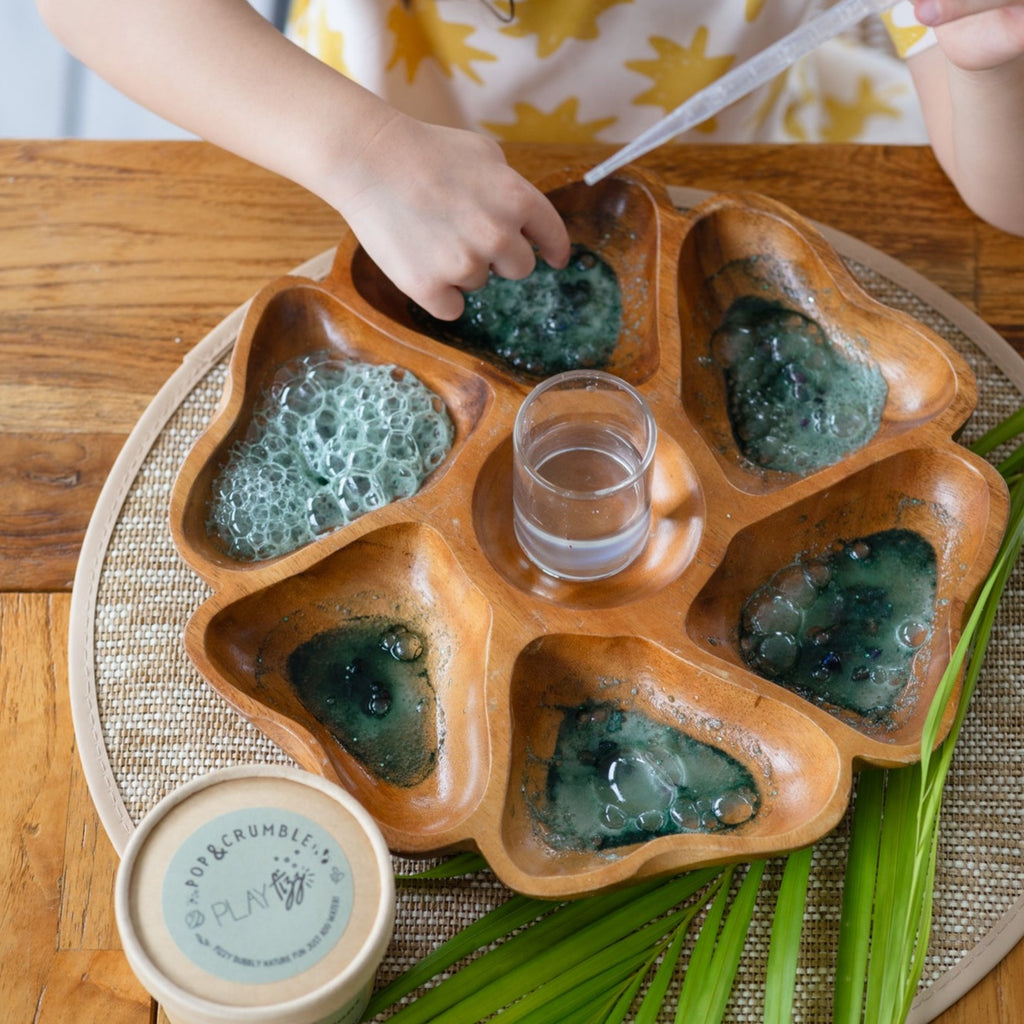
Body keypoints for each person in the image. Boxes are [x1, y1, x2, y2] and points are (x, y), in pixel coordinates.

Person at [36, 0, 1024, 321]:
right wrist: (363, 148)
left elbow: (1008, 196)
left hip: (748, 157)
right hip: (355, 147)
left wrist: (991, 60)